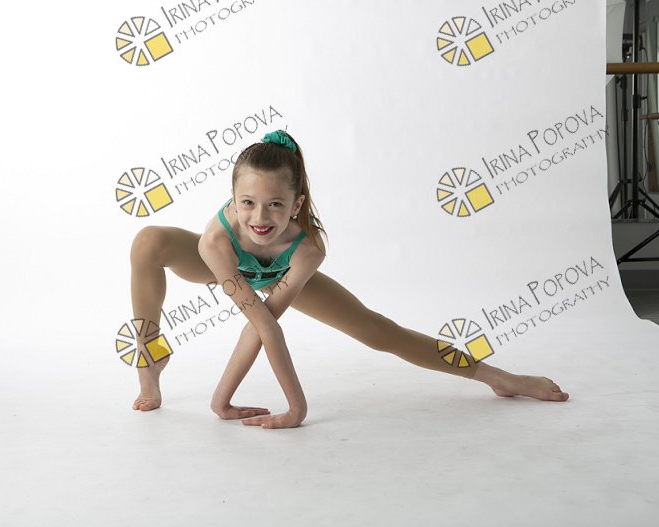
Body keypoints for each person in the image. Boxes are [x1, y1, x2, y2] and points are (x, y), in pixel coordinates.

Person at [129, 130, 569, 429]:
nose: (260, 217)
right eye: (247, 203)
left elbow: (264, 325)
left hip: (280, 271)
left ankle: (498, 377)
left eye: (276, 204)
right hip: (225, 263)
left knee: (379, 331)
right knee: (148, 242)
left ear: (297, 205)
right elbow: (260, 324)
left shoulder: (307, 249)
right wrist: (222, 403)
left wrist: (292, 409)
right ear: (233, 199)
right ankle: (149, 363)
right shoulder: (215, 241)